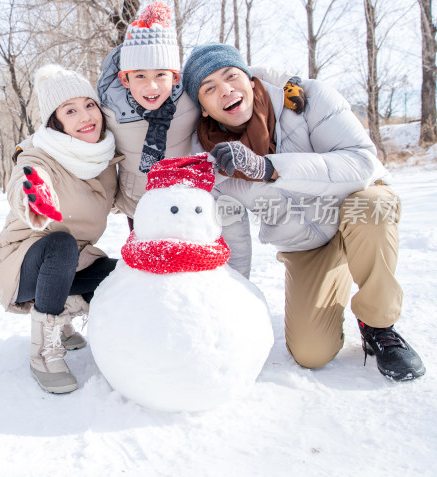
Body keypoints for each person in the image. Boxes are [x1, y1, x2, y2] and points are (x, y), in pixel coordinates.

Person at [182, 42, 426, 382]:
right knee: (312, 353)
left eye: (231, 76)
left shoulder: (306, 100)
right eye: (209, 89)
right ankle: (336, 277)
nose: (225, 90)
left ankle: (379, 324)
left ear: (250, 80)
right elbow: (233, 237)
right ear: (204, 109)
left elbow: (361, 162)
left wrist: (269, 167)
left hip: (355, 209)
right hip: (306, 245)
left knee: (373, 207)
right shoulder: (213, 161)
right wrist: (230, 305)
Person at [0, 64, 121, 394]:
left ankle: (64, 311)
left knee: (122, 273)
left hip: (72, 262)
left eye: (89, 105)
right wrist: (34, 194)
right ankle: (43, 352)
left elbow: (129, 202)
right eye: (70, 110)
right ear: (55, 123)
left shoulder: (105, 159)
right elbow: (27, 176)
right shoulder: (41, 152)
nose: (85, 116)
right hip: (17, 264)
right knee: (60, 243)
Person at [96, 1, 305, 225]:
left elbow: (234, 71)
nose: (152, 87)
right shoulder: (109, 108)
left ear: (175, 77)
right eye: (140, 76)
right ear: (124, 79)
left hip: (188, 200)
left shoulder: (186, 96)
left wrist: (284, 81)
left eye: (160, 75)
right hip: (139, 205)